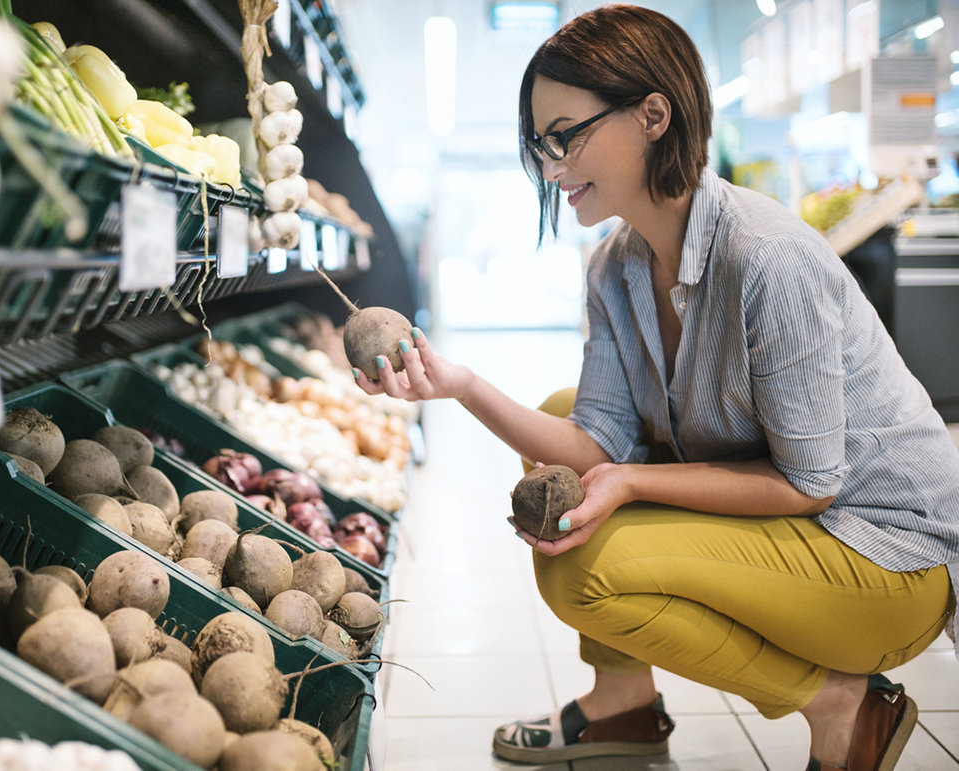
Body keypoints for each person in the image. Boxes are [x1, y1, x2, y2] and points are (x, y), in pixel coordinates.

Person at [352, 5, 959, 770]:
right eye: (540, 143)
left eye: (565, 134)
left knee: (585, 567)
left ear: (652, 116)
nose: (550, 164)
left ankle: (840, 703)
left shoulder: (767, 259)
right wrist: (458, 384)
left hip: (883, 556)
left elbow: (810, 483)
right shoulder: (615, 267)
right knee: (560, 420)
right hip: (805, 526)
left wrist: (632, 481)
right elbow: (592, 441)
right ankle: (624, 706)